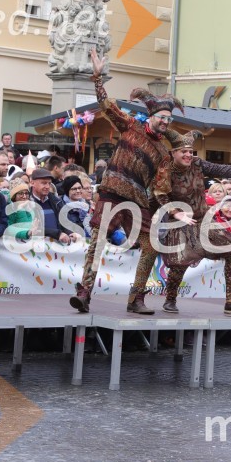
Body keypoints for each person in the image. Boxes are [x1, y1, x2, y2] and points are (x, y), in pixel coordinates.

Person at [69, 47, 185, 314]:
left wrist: (174, 207)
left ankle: (136, 299)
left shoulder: (163, 153)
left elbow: (161, 187)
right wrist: (97, 78)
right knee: (98, 241)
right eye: (162, 118)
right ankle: (84, 293)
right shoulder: (130, 125)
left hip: (137, 201)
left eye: (169, 119)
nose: (166, 122)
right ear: (152, 117)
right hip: (111, 192)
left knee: (151, 245)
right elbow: (106, 106)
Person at [152, 131, 231, 315]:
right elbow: (159, 193)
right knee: (179, 264)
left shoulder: (197, 164)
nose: (188, 155)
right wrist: (175, 212)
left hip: (203, 221)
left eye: (190, 151)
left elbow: (223, 170)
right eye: (184, 151)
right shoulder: (166, 170)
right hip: (180, 223)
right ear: (173, 153)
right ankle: (170, 299)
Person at [29, 168, 74, 243]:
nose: (47, 186)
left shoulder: (56, 201)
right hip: (35, 246)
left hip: (56, 246)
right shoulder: (26, 202)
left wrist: (71, 233)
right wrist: (57, 234)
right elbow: (33, 228)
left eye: (49, 183)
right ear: (32, 183)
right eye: (44, 183)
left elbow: (64, 221)